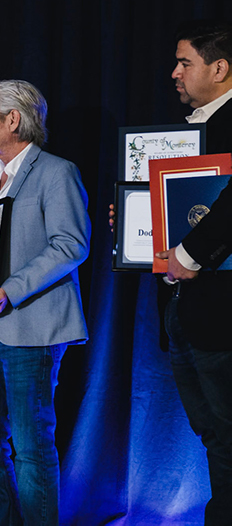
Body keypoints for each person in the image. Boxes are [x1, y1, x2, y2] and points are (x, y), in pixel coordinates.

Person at [0, 80, 90, 525]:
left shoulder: (56, 172)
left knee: (31, 450)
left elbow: (70, 245)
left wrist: (10, 290)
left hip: (32, 327)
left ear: (13, 119)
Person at [153, 20, 232, 524]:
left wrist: (188, 253)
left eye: (186, 62)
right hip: (185, 312)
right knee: (214, 433)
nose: (175, 73)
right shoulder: (191, 131)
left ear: (220, 68)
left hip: (222, 313)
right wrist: (140, 218)